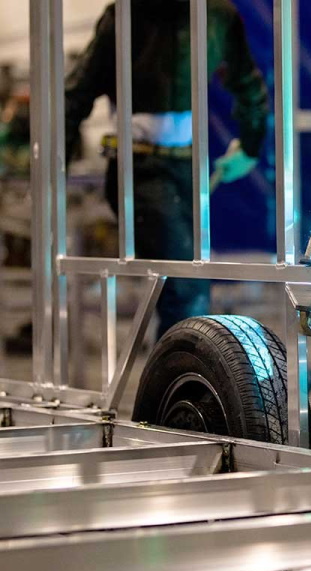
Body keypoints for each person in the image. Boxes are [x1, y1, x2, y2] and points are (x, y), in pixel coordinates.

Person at [64, 0, 269, 337]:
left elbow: (247, 83)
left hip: (185, 167)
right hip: (139, 169)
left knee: (188, 284)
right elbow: (76, 95)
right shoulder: (126, 16)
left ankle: (178, 365)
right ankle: (181, 367)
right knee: (186, 288)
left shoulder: (216, 15)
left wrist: (250, 144)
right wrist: (54, 175)